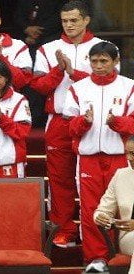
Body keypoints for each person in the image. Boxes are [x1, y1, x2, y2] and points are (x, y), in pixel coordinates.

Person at [29, 0, 116, 249]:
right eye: (65, 21)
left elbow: (110, 78)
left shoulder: (104, 47)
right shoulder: (48, 49)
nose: (69, 25)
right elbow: (39, 86)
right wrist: (59, 69)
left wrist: (72, 72)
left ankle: (101, 231)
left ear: (86, 20)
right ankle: (64, 230)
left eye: (74, 20)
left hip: (95, 122)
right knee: (60, 179)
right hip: (58, 121)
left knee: (97, 179)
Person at [62, 41, 134, 272]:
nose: (99, 66)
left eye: (104, 61)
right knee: (91, 208)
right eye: (94, 61)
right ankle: (96, 258)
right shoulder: (78, 89)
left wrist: (117, 123)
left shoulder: (129, 87)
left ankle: (121, 255)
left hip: (120, 157)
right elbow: (69, 126)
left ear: (116, 62)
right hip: (89, 157)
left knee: (123, 207)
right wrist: (84, 122)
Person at [94, 135, 134, 274]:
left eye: (133, 153)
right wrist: (100, 216)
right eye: (127, 153)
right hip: (129, 238)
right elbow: (103, 209)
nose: (129, 158)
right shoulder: (120, 176)